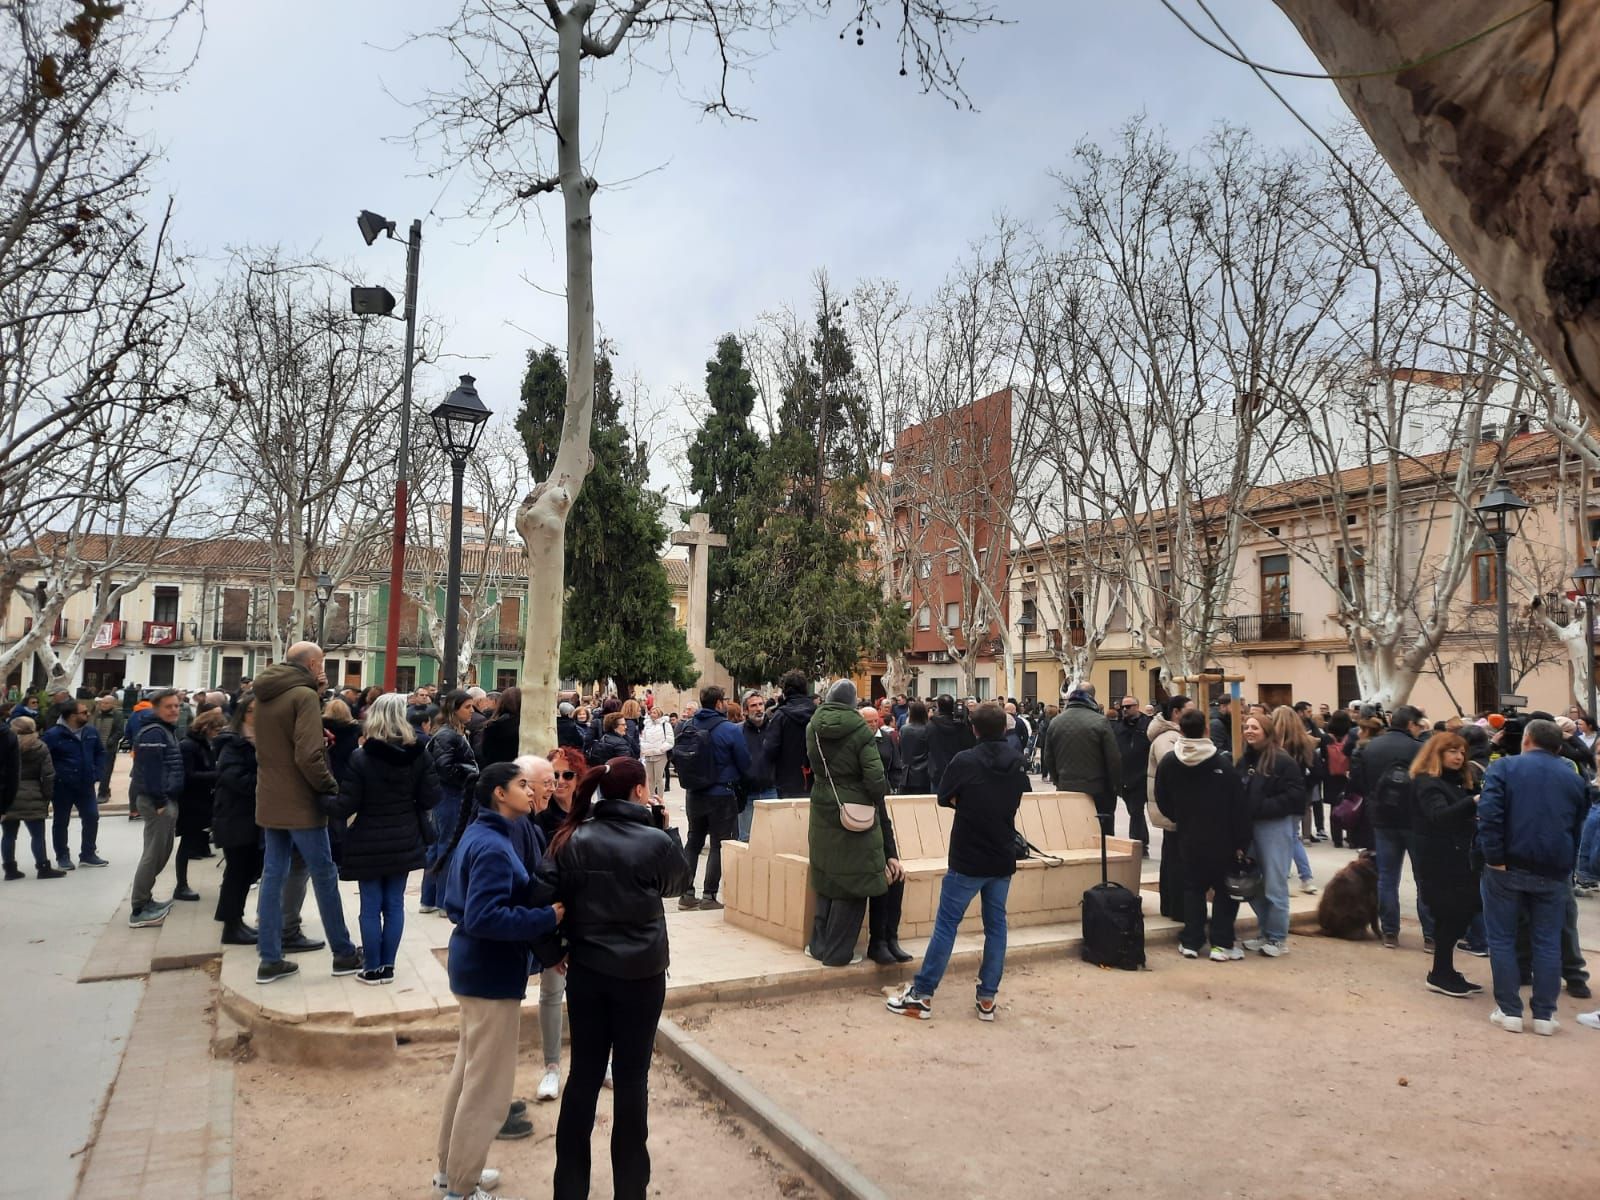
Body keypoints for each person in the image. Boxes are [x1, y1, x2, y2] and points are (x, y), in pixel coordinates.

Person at [530, 758, 689, 1199]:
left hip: (588, 972)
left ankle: (570, 1187)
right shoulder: (653, 841)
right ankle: (631, 1188)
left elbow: (540, 899)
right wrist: (666, 829)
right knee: (632, 1080)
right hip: (641, 974)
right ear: (639, 790)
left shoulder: (569, 837)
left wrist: (552, 953)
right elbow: (677, 884)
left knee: (583, 1075)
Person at [434, 762, 563, 1200]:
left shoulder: (490, 834)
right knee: (486, 1091)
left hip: (476, 969)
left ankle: (451, 1173)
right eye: (523, 785)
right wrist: (547, 917)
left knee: (466, 1076)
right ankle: (462, 1188)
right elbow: (484, 916)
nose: (532, 792)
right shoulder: (491, 844)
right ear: (498, 794)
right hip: (489, 973)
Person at [886, 702, 1027, 1020]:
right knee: (997, 927)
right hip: (1002, 853)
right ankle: (987, 998)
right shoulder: (1017, 761)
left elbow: (943, 796)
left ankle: (922, 995)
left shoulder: (965, 760)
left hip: (967, 854)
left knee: (947, 925)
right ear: (1005, 728)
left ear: (974, 729)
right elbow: (1016, 797)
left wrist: (966, 801)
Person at [252, 643, 362, 985]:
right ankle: (343, 952)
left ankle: (270, 957)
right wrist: (331, 789)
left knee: (273, 875)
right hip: (301, 800)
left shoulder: (266, 693)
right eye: (322, 663)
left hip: (270, 796)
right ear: (313, 663)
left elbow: (283, 744)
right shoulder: (303, 697)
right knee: (324, 874)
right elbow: (307, 756)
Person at [1480, 719, 1589, 1035]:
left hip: (1507, 866)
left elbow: (1490, 815)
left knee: (1502, 938)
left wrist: (1494, 858)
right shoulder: (1572, 779)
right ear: (1558, 746)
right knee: (1548, 941)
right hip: (1553, 869)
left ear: (1526, 739)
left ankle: (1510, 1009)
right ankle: (1544, 1013)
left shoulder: (1504, 768)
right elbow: (1576, 825)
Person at [338, 694, 441, 984]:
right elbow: (431, 796)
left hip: (367, 838)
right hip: (405, 836)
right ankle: (388, 967)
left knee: (370, 906)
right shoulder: (419, 754)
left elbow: (347, 804)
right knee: (394, 903)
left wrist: (321, 802)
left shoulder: (360, 757)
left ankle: (371, 967)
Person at [1155, 707, 1251, 960]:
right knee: (1225, 892)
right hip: (1223, 838)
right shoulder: (1222, 764)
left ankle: (1192, 941)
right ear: (1206, 730)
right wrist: (1242, 840)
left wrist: (1178, 817)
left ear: (1181, 729)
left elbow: (1161, 797)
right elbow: (1238, 805)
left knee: (1193, 889)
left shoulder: (1170, 761)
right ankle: (1221, 943)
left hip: (1187, 836)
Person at [804, 680, 888, 966]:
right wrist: (878, 795)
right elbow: (875, 778)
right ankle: (839, 953)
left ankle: (818, 946)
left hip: (822, 803)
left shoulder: (813, 726)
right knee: (854, 881)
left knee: (827, 877)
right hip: (853, 807)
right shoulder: (861, 731)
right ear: (853, 702)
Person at [531, 746, 589, 1106]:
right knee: (552, 992)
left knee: (592, 996)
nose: (561, 782)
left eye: (568, 775)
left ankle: (594, 1063)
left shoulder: (593, 816)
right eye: (555, 776)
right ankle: (551, 1065)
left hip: (589, 921)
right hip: (555, 919)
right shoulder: (538, 822)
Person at [1410, 732, 1485, 999]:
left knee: (1459, 914)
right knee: (1450, 915)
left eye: (1462, 752)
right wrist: (1472, 802)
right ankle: (1440, 973)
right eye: (1452, 751)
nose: (1458, 757)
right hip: (1438, 861)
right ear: (1437, 754)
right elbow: (1439, 816)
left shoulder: (1456, 782)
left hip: (1458, 860)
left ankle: (1444, 970)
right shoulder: (1427, 783)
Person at [1350, 704, 1430, 948]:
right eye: (1418, 725)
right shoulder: (1421, 749)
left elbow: (1358, 782)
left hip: (1382, 819)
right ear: (1410, 725)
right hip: (1415, 820)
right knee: (1423, 878)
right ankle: (1431, 934)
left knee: (1387, 877)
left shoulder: (1370, 747)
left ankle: (1390, 932)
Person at [1236, 713, 1306, 957]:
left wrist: (1263, 807)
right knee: (1251, 883)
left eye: (1254, 727)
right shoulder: (1245, 760)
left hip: (1274, 826)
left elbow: (1296, 796)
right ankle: (1265, 931)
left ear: (1267, 730)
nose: (1249, 731)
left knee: (1275, 884)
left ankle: (1277, 938)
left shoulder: (1283, 761)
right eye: (1246, 727)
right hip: (1248, 827)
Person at [675, 686, 751, 911]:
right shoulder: (729, 729)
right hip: (721, 793)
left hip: (694, 793)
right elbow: (744, 762)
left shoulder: (687, 725)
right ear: (718, 703)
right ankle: (709, 895)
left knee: (694, 840)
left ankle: (686, 894)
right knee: (719, 844)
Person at [858, 705, 910, 964]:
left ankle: (891, 938)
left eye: (874, 721)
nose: (871, 725)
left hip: (877, 835)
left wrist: (893, 856)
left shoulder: (888, 741)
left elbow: (884, 822)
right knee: (881, 876)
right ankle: (877, 941)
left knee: (896, 874)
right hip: (857, 840)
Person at [129, 690, 186, 926]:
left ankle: (146, 899)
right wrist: (161, 801)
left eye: (176, 706)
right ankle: (139, 908)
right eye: (168, 707)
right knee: (153, 854)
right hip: (157, 801)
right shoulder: (154, 732)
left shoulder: (164, 730)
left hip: (164, 798)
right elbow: (151, 770)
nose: (174, 710)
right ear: (155, 708)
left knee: (161, 852)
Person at [423, 690, 481, 915]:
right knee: (448, 844)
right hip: (451, 794)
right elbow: (445, 767)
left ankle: (430, 898)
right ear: (454, 708)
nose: (471, 711)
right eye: (467, 707)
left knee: (440, 844)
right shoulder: (448, 735)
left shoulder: (452, 733)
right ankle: (443, 900)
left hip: (450, 793)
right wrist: (469, 774)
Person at [211, 696, 262, 945]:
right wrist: (265, 783)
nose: (257, 715)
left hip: (248, 817)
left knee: (246, 872)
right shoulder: (234, 744)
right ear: (243, 713)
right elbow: (235, 779)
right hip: (234, 816)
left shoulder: (258, 741)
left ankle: (236, 921)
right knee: (237, 872)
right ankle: (231, 926)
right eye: (252, 711)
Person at [1041, 683, 1121, 837]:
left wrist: (1058, 780)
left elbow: (1048, 757)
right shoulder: (1100, 721)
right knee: (1102, 835)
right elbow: (1113, 758)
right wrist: (1114, 785)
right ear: (1092, 697)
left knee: (1072, 832)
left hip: (1067, 787)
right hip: (1098, 788)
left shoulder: (1056, 722)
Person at [42, 698, 107, 870]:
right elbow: (44, 759)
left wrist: (97, 772)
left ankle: (88, 854)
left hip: (86, 784)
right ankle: (62, 856)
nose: (88, 715)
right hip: (63, 785)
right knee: (61, 821)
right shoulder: (53, 735)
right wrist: (54, 777)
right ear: (71, 716)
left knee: (92, 817)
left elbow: (100, 752)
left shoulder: (90, 732)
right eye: (84, 712)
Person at [1144, 694, 1191, 921]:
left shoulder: (1173, 736)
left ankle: (1172, 905)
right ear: (1176, 713)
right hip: (1173, 808)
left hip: (1172, 807)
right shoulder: (1168, 739)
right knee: (1175, 860)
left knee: (1172, 857)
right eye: (1189, 710)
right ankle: (1176, 906)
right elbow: (1173, 770)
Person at [174, 708, 225, 900]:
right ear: (206, 728)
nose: (217, 734)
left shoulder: (203, 744)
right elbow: (189, 776)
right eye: (216, 730)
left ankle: (183, 884)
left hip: (202, 799)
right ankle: (181, 885)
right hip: (191, 802)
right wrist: (218, 774)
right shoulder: (189, 746)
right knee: (187, 844)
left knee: (192, 841)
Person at [3, 717, 63, 880]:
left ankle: (10, 869)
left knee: (8, 835)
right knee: (37, 835)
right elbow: (48, 774)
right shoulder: (40, 747)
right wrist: (47, 795)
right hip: (34, 792)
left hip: (9, 793)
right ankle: (43, 867)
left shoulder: (5, 745)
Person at [1269, 706, 1319, 896]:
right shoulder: (1306, 743)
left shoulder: (1274, 744)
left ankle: (1297, 877)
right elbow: (1317, 771)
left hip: (1280, 797)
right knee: (1292, 836)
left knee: (1286, 838)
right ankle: (1302, 877)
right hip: (1301, 797)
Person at [764, 671, 815, 798]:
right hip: (816, 780)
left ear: (785, 690)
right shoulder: (818, 714)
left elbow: (770, 749)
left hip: (786, 781)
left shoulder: (780, 716)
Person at [1111, 696, 1152, 853]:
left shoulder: (1147, 724)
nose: (1125, 710)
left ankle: (1138, 844)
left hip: (1142, 775)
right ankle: (1142, 840)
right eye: (1123, 707)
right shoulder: (1118, 727)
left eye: (1128, 706)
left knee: (1136, 810)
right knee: (1134, 810)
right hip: (1124, 777)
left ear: (1137, 706)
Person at [736, 691, 777, 842]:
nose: (759, 709)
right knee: (747, 840)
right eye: (753, 705)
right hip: (747, 795)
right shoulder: (738, 731)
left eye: (761, 704)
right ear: (745, 710)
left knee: (772, 839)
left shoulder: (775, 729)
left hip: (771, 791)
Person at [926, 694, 976, 792]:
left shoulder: (931, 726)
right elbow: (971, 743)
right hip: (960, 771)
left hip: (938, 772)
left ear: (938, 707)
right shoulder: (962, 726)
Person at [89, 695, 126, 801]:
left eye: (106, 703)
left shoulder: (117, 715)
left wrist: (111, 741)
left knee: (106, 772)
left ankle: (103, 793)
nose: (103, 705)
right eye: (102, 703)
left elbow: (120, 731)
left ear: (113, 704)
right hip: (95, 747)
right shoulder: (96, 714)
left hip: (108, 749)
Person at [478, 686, 520, 767]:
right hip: (521, 770)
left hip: (496, 770)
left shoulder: (493, 725)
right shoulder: (526, 726)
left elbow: (485, 752)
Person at [899, 700, 932, 793]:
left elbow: (901, 749)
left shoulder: (904, 729)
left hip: (906, 774)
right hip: (924, 773)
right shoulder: (929, 729)